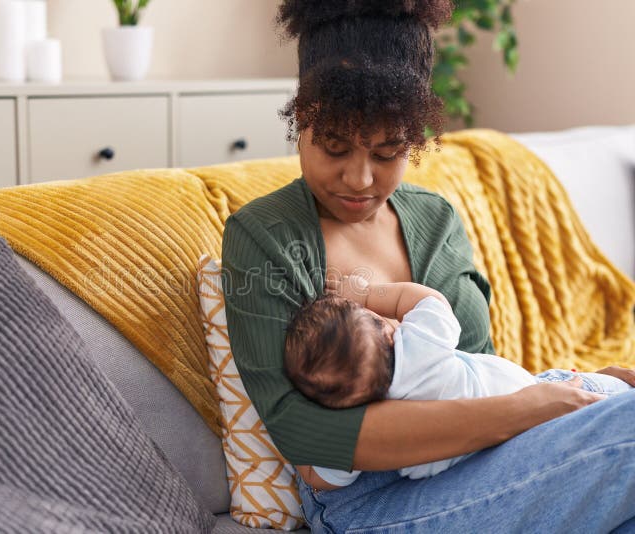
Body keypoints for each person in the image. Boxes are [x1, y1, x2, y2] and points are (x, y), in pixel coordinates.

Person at [220, 1, 635, 531]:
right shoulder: (264, 237)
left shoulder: (434, 218)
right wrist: (536, 410)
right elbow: (310, 443)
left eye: (388, 151)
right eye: (334, 146)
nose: (360, 178)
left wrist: (574, 395)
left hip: (491, 456)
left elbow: (474, 368)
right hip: (375, 499)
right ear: (300, 121)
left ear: (414, 139)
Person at [283, 281, 633, 483]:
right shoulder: (419, 345)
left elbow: (325, 478)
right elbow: (428, 300)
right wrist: (368, 294)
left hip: (484, 462)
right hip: (546, 400)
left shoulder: (375, 420)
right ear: (388, 333)